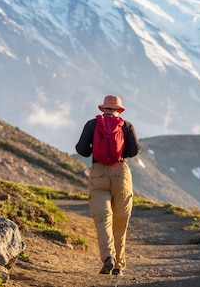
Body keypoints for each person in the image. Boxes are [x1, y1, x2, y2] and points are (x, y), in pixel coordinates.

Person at [75, 95, 142, 276]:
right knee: (120, 221)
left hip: (98, 174)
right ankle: (119, 265)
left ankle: (107, 257)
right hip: (121, 173)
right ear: (119, 110)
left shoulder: (92, 125)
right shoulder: (126, 126)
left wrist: (94, 150)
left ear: (103, 108)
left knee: (103, 219)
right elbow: (134, 150)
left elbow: (81, 149)